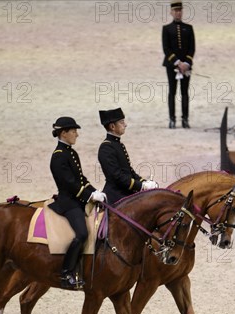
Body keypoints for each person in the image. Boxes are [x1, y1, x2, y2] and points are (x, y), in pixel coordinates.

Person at [49, 116, 106, 290]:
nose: (77, 135)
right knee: (81, 233)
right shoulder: (58, 157)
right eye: (73, 131)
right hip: (68, 202)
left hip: (78, 199)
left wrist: (95, 191)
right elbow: (70, 184)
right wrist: (89, 196)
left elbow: (81, 179)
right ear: (63, 133)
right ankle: (66, 272)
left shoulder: (71, 153)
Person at [98, 108, 159, 205]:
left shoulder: (118, 145)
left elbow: (129, 172)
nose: (125, 125)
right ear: (113, 126)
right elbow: (117, 177)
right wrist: (141, 186)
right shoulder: (106, 148)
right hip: (116, 194)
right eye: (122, 122)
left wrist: (145, 182)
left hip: (126, 190)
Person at [162, 1, 195, 129]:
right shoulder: (166, 29)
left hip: (186, 66)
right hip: (172, 66)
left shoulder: (189, 28)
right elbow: (166, 48)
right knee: (172, 92)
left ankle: (185, 119)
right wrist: (177, 62)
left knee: (185, 92)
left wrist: (186, 63)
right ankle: (172, 119)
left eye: (180, 10)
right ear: (171, 12)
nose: (178, 13)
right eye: (176, 11)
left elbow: (192, 48)